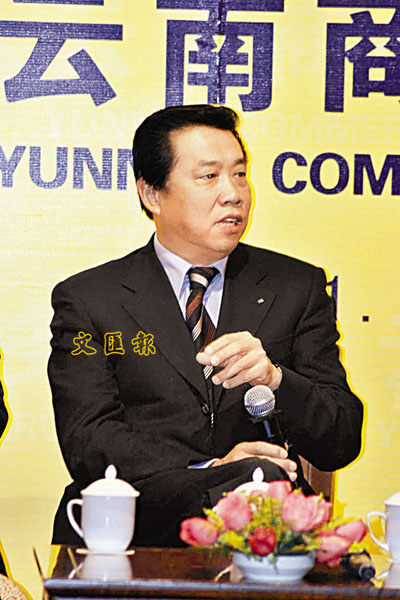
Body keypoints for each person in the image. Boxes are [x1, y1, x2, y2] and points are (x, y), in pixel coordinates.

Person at [48, 104, 363, 547]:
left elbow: (342, 439)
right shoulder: (90, 299)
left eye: (240, 174)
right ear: (152, 194)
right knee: (255, 481)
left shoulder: (296, 287)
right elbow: (89, 440)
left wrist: (275, 379)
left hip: (262, 537)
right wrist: (214, 471)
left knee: (264, 487)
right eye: (209, 176)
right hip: (135, 529)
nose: (233, 194)